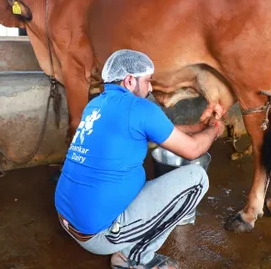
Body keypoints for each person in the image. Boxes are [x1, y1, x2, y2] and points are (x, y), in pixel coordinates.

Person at [55, 49, 225, 269]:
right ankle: (132, 258)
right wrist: (215, 130)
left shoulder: (95, 106)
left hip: (67, 218)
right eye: (147, 81)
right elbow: (192, 150)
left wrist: (199, 127)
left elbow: (161, 131)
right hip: (98, 235)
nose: (151, 88)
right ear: (129, 80)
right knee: (197, 179)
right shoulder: (140, 108)